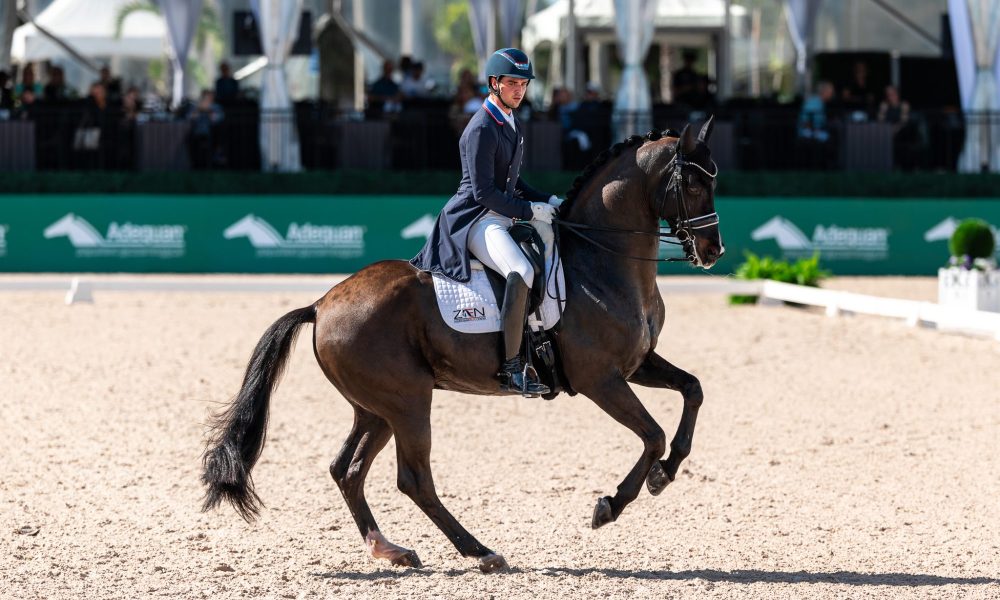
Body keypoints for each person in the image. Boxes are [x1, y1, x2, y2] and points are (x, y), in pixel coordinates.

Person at [411, 48, 561, 397]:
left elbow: (514, 183)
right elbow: (484, 193)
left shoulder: (510, 121)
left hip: (501, 212)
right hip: (477, 219)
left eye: (523, 84)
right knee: (521, 271)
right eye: (512, 83)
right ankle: (512, 368)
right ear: (494, 83)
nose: (519, 90)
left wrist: (548, 201)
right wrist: (528, 212)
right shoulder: (481, 128)